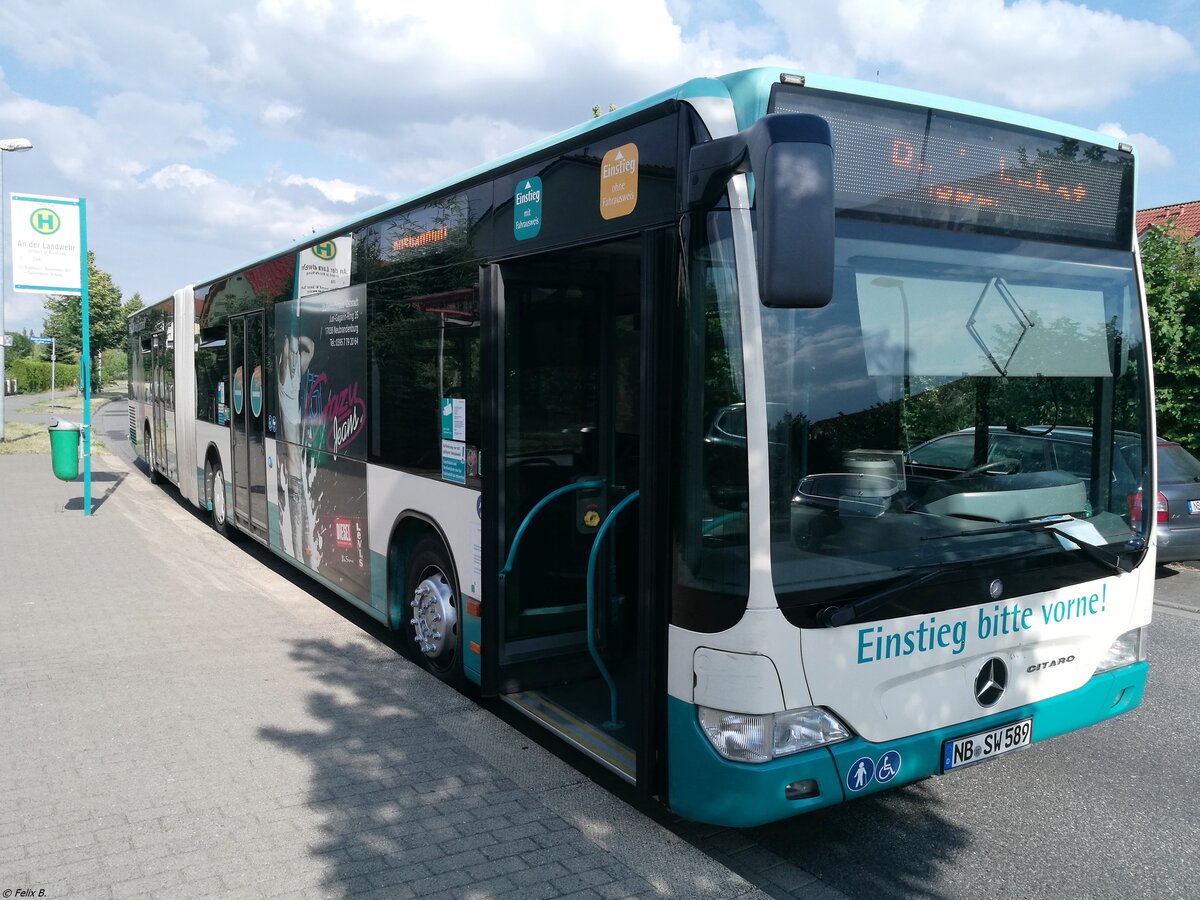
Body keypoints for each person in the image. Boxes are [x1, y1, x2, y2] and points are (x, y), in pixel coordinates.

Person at [278, 324, 314, 562]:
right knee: (298, 524)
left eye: (295, 354)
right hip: (293, 477)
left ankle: (306, 557)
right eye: (291, 354)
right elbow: (286, 361)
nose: (294, 358)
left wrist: (297, 339)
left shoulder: (296, 373)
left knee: (307, 525)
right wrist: (288, 345)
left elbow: (311, 348)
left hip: (300, 474)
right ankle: (298, 556)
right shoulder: (283, 380)